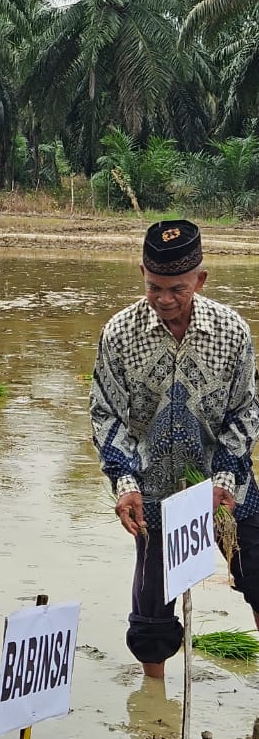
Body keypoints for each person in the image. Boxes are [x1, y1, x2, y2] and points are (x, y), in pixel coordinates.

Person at [90, 219, 259, 677]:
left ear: (199, 280)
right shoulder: (119, 334)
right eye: (154, 287)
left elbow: (246, 410)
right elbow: (106, 414)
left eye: (177, 289)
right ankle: (155, 703)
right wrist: (125, 483)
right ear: (142, 274)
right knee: (152, 616)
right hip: (153, 491)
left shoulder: (231, 331)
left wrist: (224, 477)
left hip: (226, 487)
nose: (164, 299)